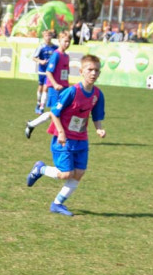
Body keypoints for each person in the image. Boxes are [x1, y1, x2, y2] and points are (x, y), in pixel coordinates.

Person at [25, 54, 107, 217]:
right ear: (81, 71)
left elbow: (96, 116)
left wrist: (99, 128)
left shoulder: (98, 94)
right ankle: (40, 169)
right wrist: (61, 132)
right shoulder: (71, 92)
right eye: (90, 70)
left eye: (96, 70)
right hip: (64, 140)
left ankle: (57, 204)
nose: (93, 73)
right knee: (65, 174)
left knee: (79, 173)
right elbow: (54, 113)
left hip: (81, 140)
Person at [25, 30, 71, 139]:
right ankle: (60, 134)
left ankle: (32, 124)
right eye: (65, 41)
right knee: (56, 112)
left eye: (69, 42)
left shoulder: (66, 56)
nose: (67, 44)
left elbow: (65, 73)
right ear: (59, 41)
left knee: (60, 111)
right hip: (55, 89)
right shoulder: (56, 55)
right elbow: (48, 72)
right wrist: (55, 84)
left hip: (64, 88)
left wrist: (66, 85)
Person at [30, 30, 58, 115]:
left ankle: (42, 107)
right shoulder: (41, 47)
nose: (48, 37)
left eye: (49, 35)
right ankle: (38, 103)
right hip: (41, 71)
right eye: (46, 36)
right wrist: (41, 61)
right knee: (40, 87)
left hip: (49, 72)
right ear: (43, 37)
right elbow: (34, 57)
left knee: (46, 88)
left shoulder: (55, 47)